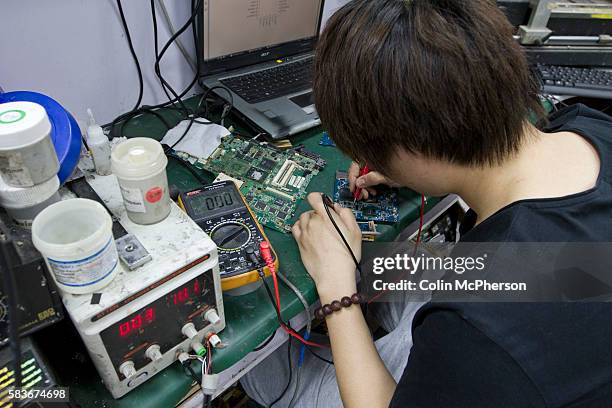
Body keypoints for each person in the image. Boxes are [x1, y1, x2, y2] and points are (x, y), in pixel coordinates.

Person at [241, 0, 612, 406]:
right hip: (572, 295)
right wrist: (410, 164)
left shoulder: (479, 327)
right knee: (391, 266)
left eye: (377, 152)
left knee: (273, 378)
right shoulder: (589, 126)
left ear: (414, 149)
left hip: (495, 349)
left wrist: (336, 288)